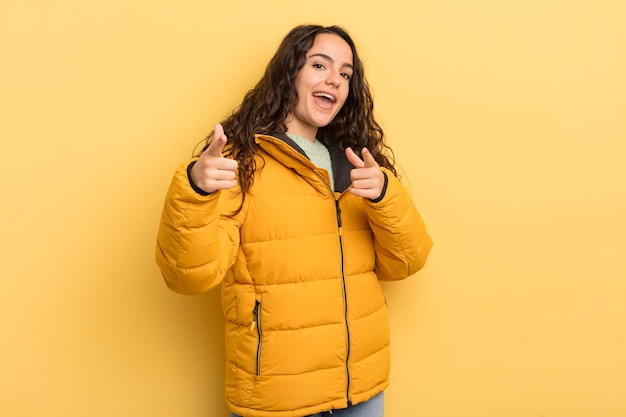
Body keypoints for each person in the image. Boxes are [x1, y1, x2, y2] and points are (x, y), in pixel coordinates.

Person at [155, 24, 433, 417]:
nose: (334, 80)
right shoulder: (240, 161)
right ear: (290, 74)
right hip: (279, 397)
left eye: (345, 74)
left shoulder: (356, 161)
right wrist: (196, 190)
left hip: (362, 389)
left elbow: (405, 263)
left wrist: (385, 194)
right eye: (320, 65)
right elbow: (189, 276)